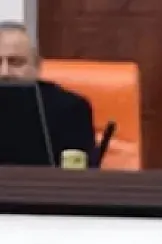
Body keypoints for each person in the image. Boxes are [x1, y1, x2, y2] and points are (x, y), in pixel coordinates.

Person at [0, 21, 97, 166]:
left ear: (37, 66)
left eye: (16, 62)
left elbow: (80, 174)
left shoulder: (71, 108)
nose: (4, 73)